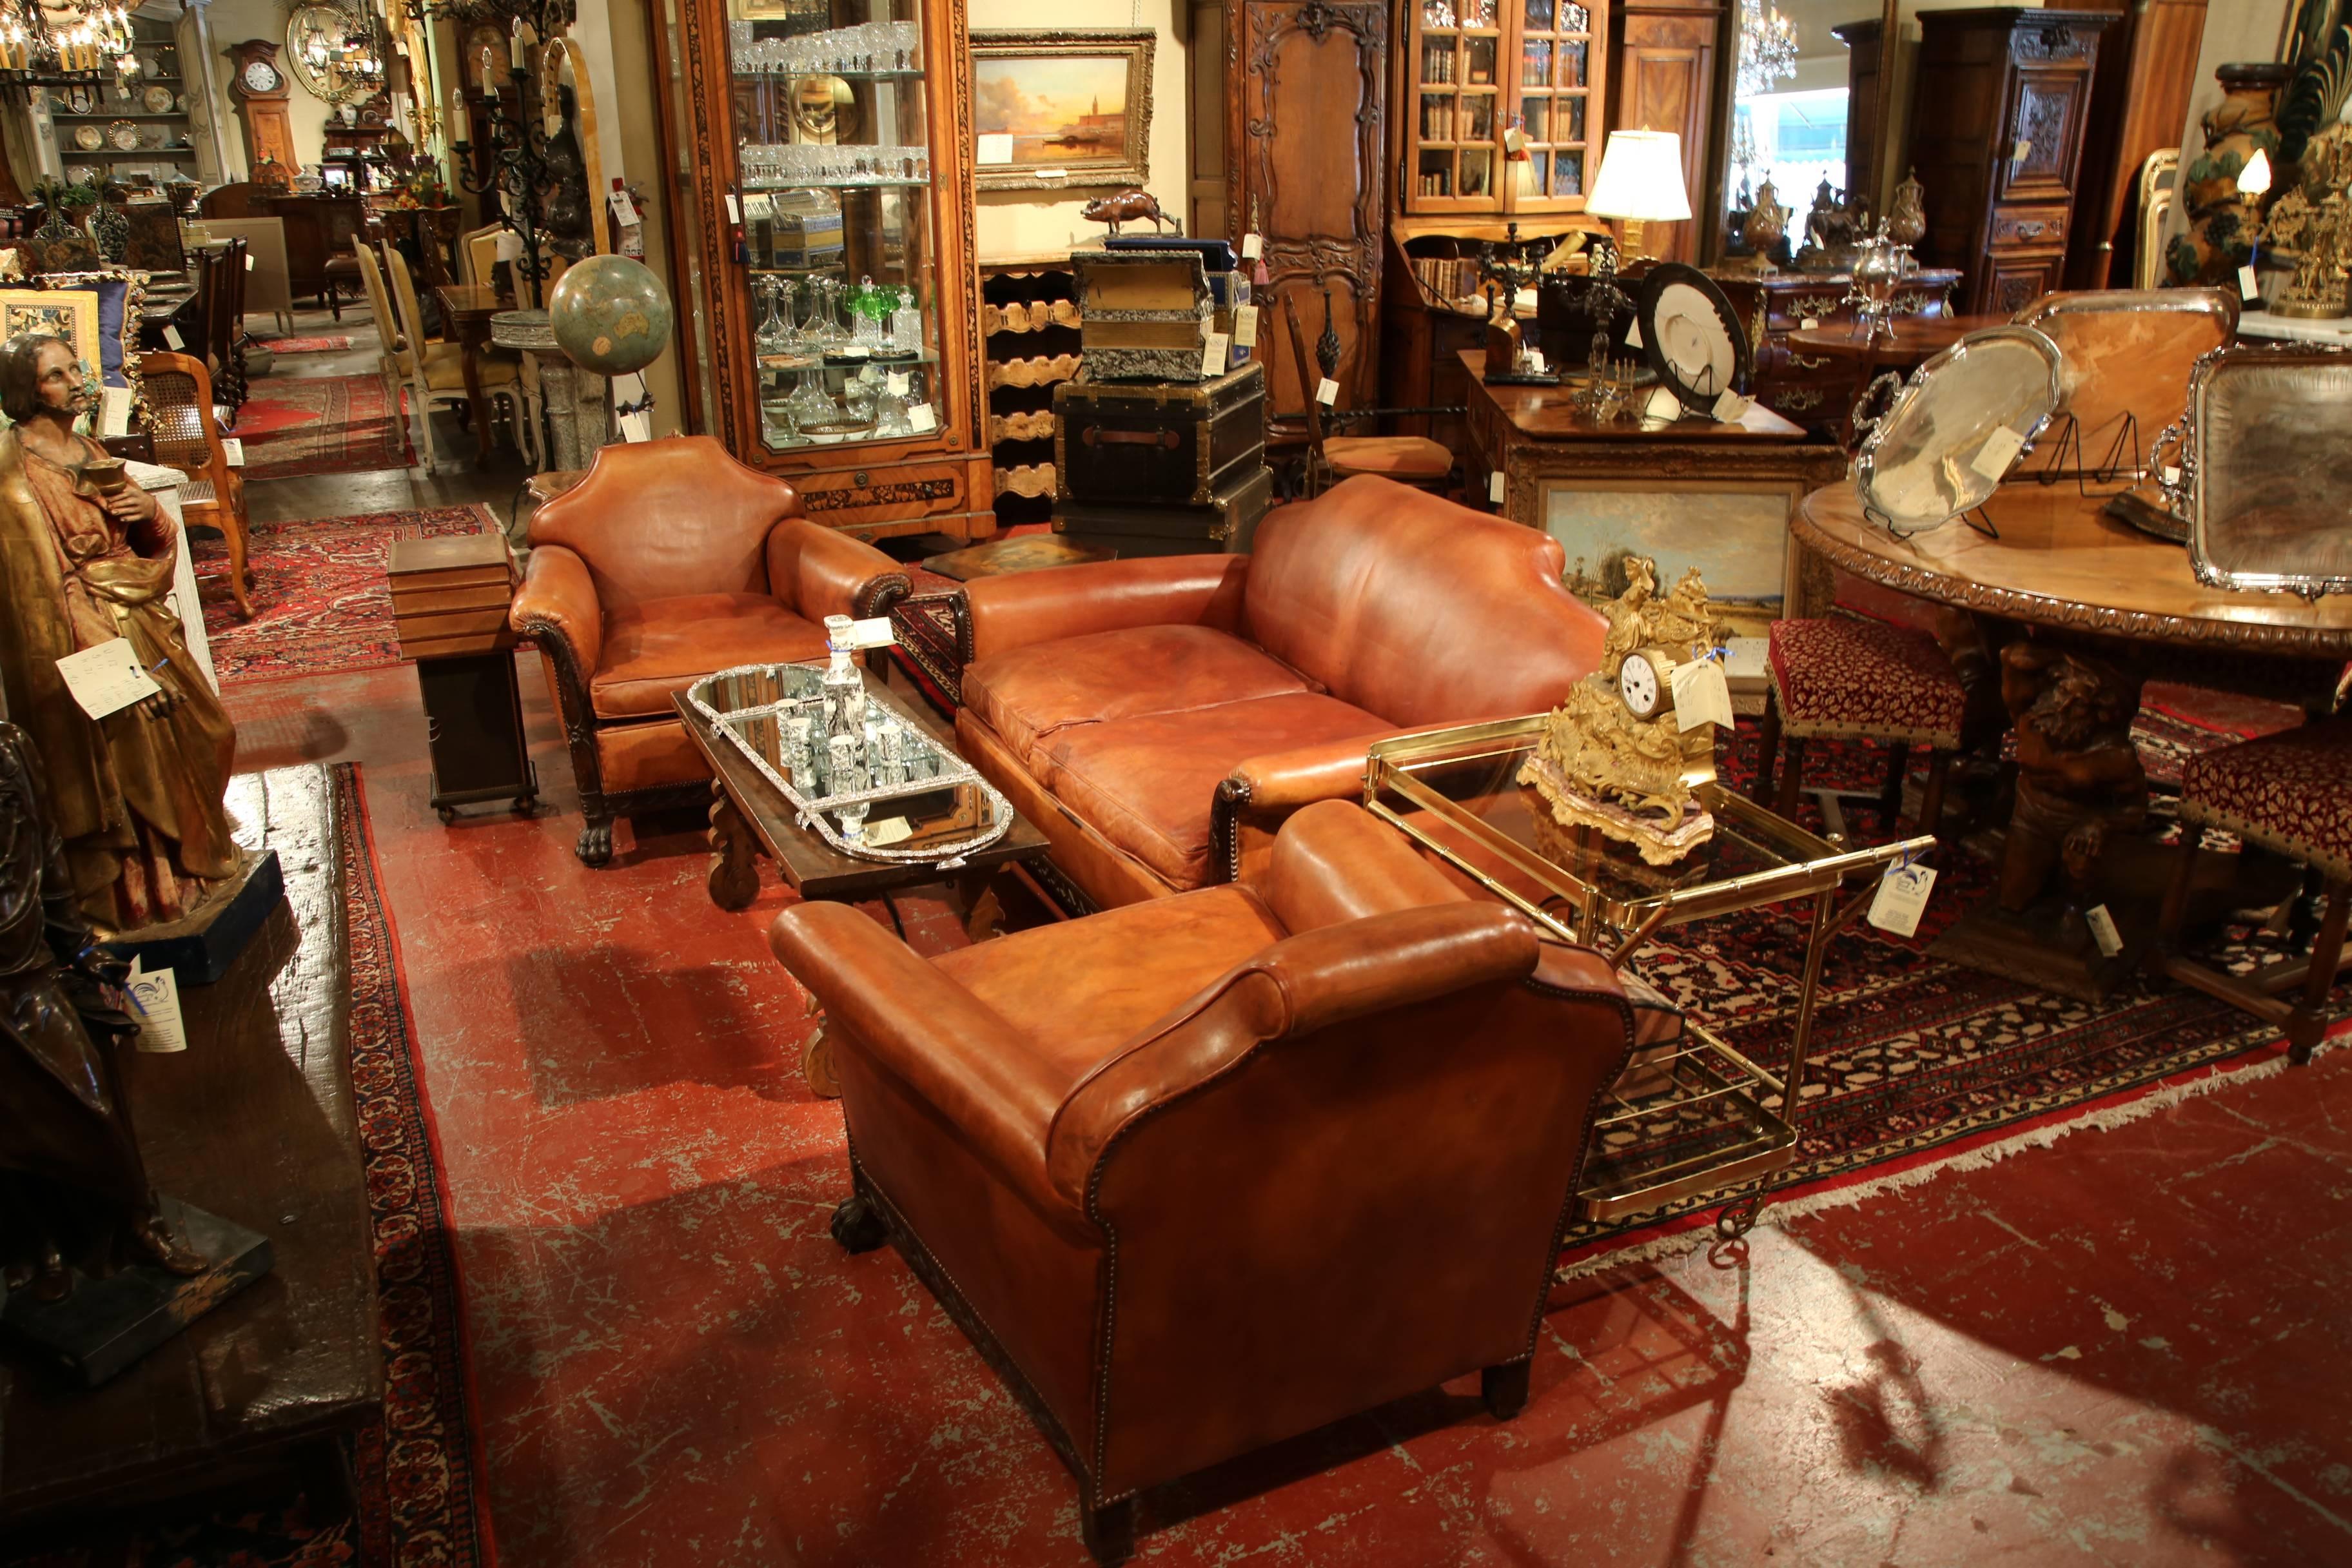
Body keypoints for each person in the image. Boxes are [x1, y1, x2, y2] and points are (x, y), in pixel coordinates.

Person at [0, 332, 235, 930]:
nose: (77, 380)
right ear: (28, 392)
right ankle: (150, 892)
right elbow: (48, 595)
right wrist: (120, 672)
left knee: (211, 731)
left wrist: (147, 511)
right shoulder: (17, 482)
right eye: (57, 375)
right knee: (135, 766)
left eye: (75, 368)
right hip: (94, 640)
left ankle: (195, 860)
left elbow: (149, 543)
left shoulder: (83, 448)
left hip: (142, 622)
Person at [0, 703, 206, 1300]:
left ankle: (136, 1224)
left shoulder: (13, 749)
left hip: (28, 977)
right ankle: (40, 1248)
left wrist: (80, 945)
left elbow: (50, 861)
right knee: (10, 1133)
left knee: (93, 1109)